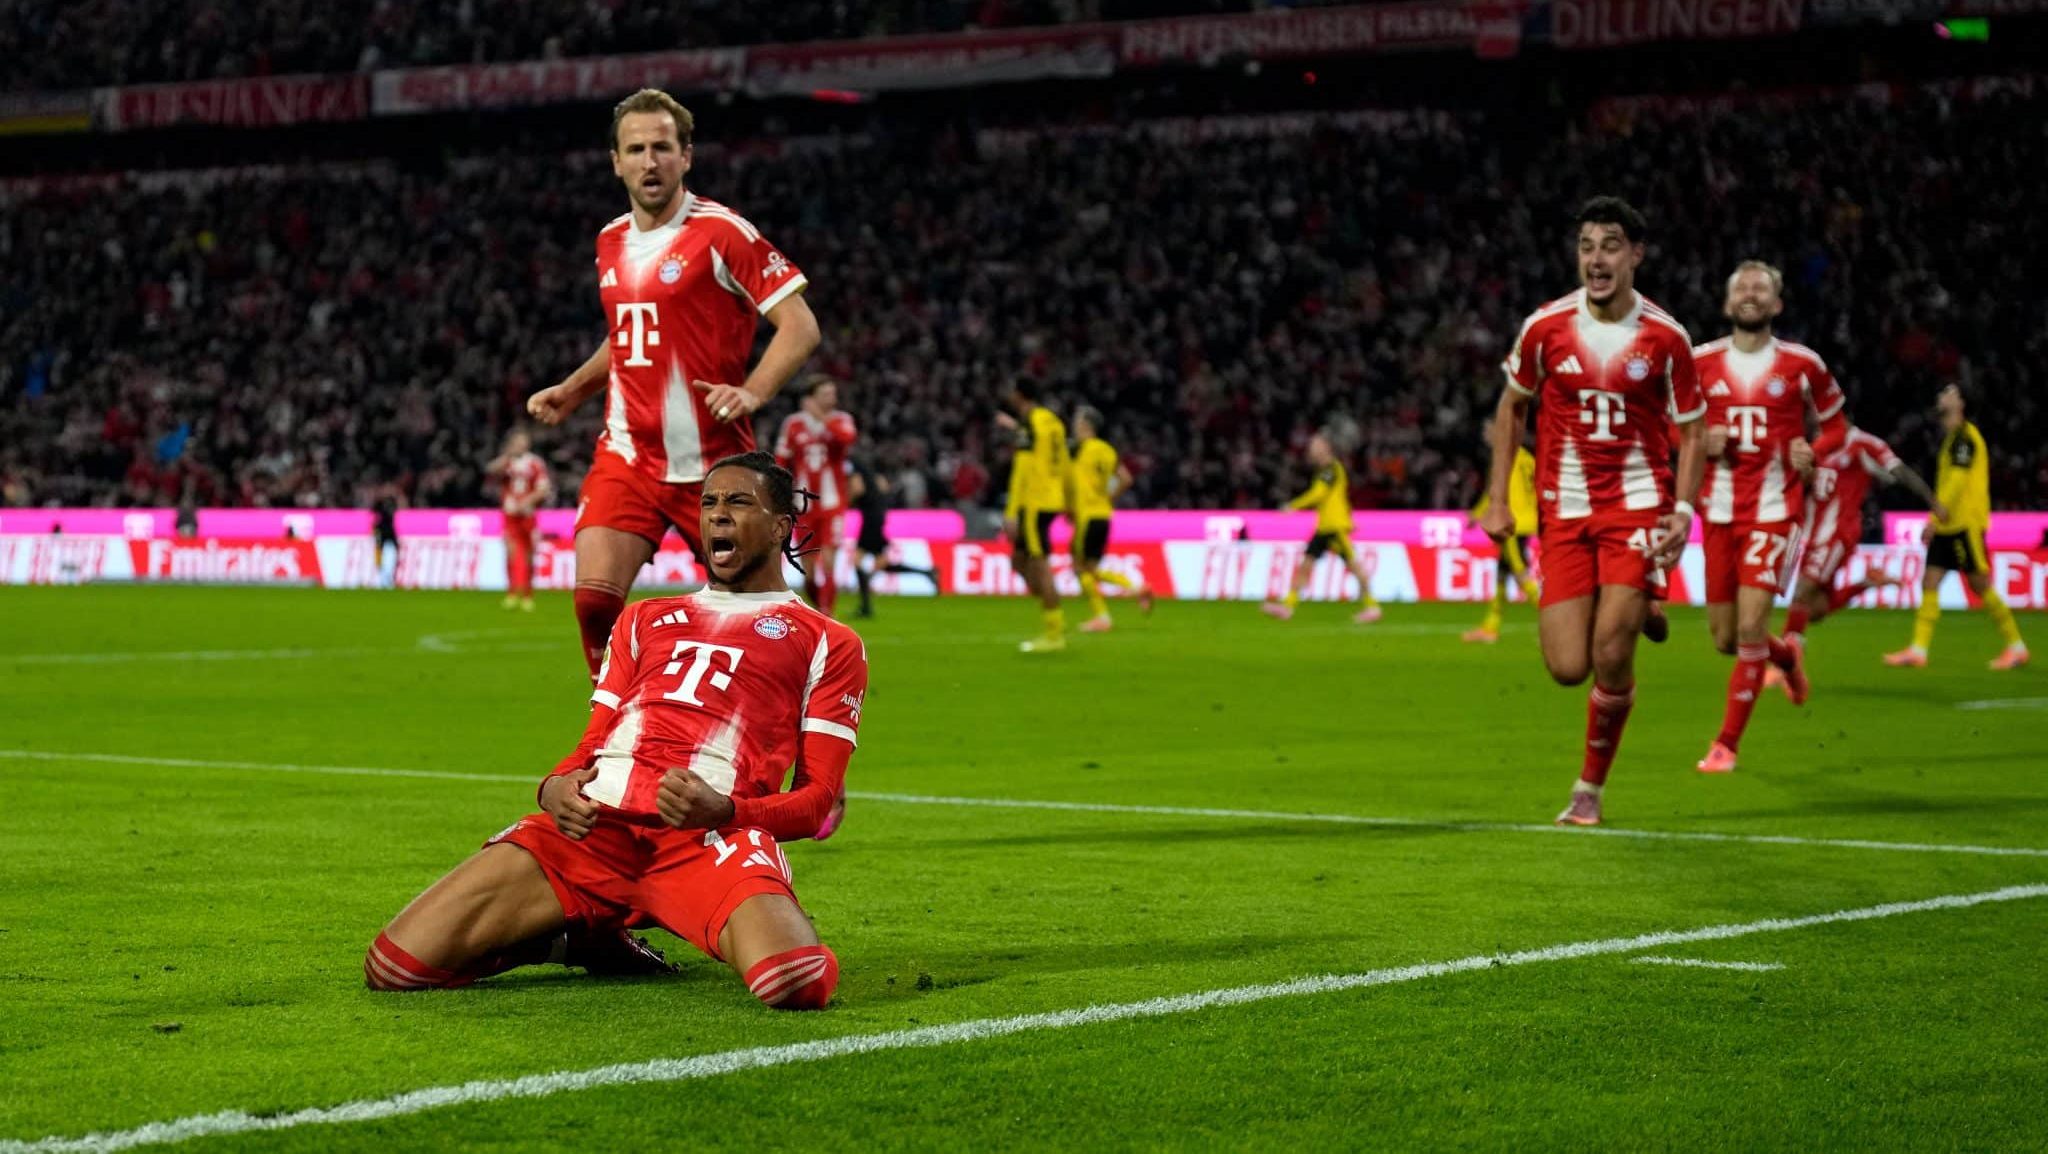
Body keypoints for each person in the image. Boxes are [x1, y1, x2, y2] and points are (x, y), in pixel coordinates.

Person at [364, 452, 865, 1009]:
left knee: (794, 982)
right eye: (708, 503)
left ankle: (707, 912)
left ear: (778, 526)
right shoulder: (643, 619)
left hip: (710, 840)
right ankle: (581, 937)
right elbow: (591, 743)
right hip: (595, 831)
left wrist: (727, 812)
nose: (717, 515)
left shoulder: (828, 640)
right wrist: (554, 786)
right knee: (395, 966)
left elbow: (816, 802)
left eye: (738, 502)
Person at [525, 88, 821, 681]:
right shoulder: (610, 240)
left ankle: (808, 729)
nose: (649, 160)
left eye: (662, 147)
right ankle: (621, 729)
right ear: (616, 161)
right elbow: (629, 331)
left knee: (768, 625)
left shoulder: (722, 232)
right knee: (594, 601)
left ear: (687, 155)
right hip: (627, 455)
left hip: (714, 464)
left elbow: (800, 325)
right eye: (635, 149)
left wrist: (754, 391)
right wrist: (575, 388)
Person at [1482, 196, 1705, 827]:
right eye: (1586, 246)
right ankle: (1639, 604)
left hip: (1636, 507)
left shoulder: (1666, 337)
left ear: (1636, 254)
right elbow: (1511, 407)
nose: (1596, 258)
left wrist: (1683, 510)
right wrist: (1500, 500)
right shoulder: (1545, 327)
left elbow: (1692, 429)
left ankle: (1589, 789)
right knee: (1566, 668)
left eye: (1610, 245)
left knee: (1609, 655)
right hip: (1565, 512)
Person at [1689, 261, 1845, 773]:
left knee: (1752, 624)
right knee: (1725, 638)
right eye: (1741, 288)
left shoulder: (1803, 364)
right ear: (1728, 303)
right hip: (1717, 512)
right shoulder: (1699, 362)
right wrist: (1695, 442)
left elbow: (1836, 426)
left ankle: (1726, 744)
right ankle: (1786, 658)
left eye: (1761, 288)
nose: (1750, 294)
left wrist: (1814, 449)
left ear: (1777, 305)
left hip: (1776, 511)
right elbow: (1669, 426)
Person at [1772, 420, 1941, 685]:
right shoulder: (1817, 446)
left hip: (1839, 533)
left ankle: (1785, 667)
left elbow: (1898, 470)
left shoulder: (1863, 444)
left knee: (1802, 593)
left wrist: (1932, 501)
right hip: (1814, 535)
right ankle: (1867, 582)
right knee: (1814, 609)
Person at [1885, 383, 2029, 669]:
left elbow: (1957, 484)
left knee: (1979, 585)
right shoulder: (1953, 438)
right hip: (1949, 526)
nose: (1941, 395)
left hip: (1963, 525)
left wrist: (1934, 518)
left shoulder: (1965, 438)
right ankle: (1918, 650)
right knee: (1931, 581)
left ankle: (2016, 646)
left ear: (1961, 403)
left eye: (1948, 393)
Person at [1262, 432, 1381, 623]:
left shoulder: (1331, 469)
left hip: (1334, 527)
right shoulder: (1326, 470)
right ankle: (1288, 606)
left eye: (1316, 445)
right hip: (1325, 527)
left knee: (1353, 565)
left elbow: (1318, 494)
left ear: (1326, 447)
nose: (1311, 449)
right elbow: (1339, 497)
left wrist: (1293, 506)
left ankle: (1372, 605)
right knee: (1306, 565)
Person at [774, 375, 857, 618]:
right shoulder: (793, 424)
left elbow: (846, 439)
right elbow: (782, 460)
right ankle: (820, 607)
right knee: (808, 569)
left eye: (833, 394)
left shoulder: (842, 420)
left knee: (830, 559)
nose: (832, 398)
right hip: (803, 504)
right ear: (810, 398)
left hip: (833, 504)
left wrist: (821, 418)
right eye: (825, 394)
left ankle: (827, 613)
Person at [1067, 406, 1154, 632]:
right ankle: (1137, 588)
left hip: (1086, 517)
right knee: (1092, 569)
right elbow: (1125, 479)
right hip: (1104, 515)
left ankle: (1102, 617)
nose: (1075, 426)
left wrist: (1069, 508)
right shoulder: (1107, 450)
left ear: (1086, 425)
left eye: (1078, 422)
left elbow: (1071, 485)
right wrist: (1108, 498)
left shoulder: (1079, 450)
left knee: (1080, 569)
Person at [998, 381, 1070, 653]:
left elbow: (1023, 468)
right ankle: (1052, 611)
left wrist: (1011, 511)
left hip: (1035, 501)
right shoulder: (1053, 423)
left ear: (1018, 394)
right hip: (1052, 498)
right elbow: (1063, 463)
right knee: (1019, 560)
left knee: (1039, 563)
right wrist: (1069, 500)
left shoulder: (1030, 422)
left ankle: (1055, 633)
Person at [1463, 437, 1539, 643]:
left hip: (1512, 523)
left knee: (1520, 572)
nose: (1486, 435)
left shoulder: (1504, 457)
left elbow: (1496, 492)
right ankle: (1490, 627)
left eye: (1489, 429)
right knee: (1502, 574)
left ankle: (1556, 624)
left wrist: (1478, 513)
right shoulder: (1527, 457)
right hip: (1527, 519)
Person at [847, 458, 940, 617]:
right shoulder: (874, 476)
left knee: (857, 560)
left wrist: (845, 500)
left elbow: (856, 490)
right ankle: (927, 573)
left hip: (871, 521)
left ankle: (866, 606)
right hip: (877, 517)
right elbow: (883, 489)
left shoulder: (857, 471)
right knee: (882, 564)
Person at [486, 430, 553, 611]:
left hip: (528, 515)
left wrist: (528, 501)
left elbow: (544, 489)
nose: (520, 445)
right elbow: (490, 470)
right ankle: (512, 592)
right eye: (517, 441)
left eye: (523, 441)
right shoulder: (507, 461)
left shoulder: (535, 463)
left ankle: (528, 594)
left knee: (530, 555)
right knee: (510, 552)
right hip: (509, 515)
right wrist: (506, 455)